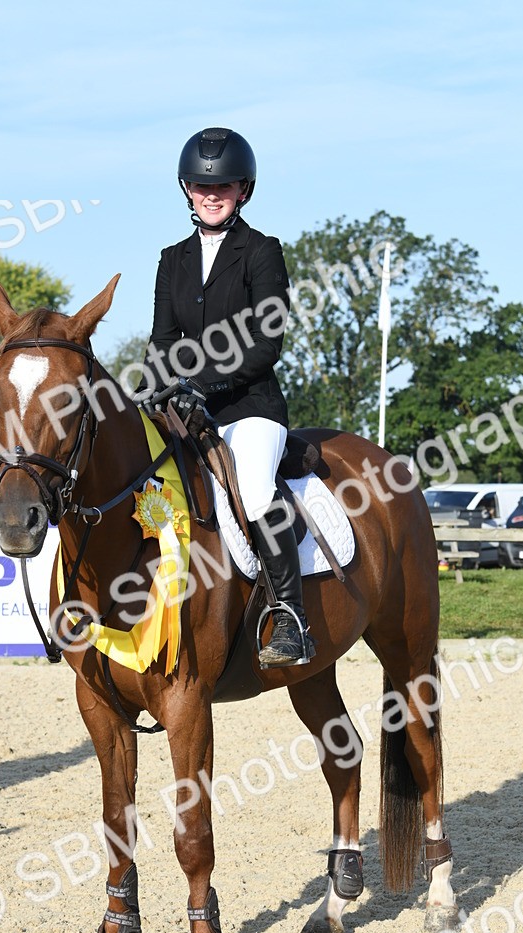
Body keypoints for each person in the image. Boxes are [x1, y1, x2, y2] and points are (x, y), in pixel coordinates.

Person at [142, 127, 315, 668]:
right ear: (186, 190)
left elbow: (267, 344)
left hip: (250, 407)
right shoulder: (172, 259)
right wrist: (159, 386)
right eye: (200, 185)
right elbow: (163, 340)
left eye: (224, 186)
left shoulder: (262, 252)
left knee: (258, 489)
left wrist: (205, 384)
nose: (211, 194)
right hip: (184, 409)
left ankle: (289, 614)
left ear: (244, 190)